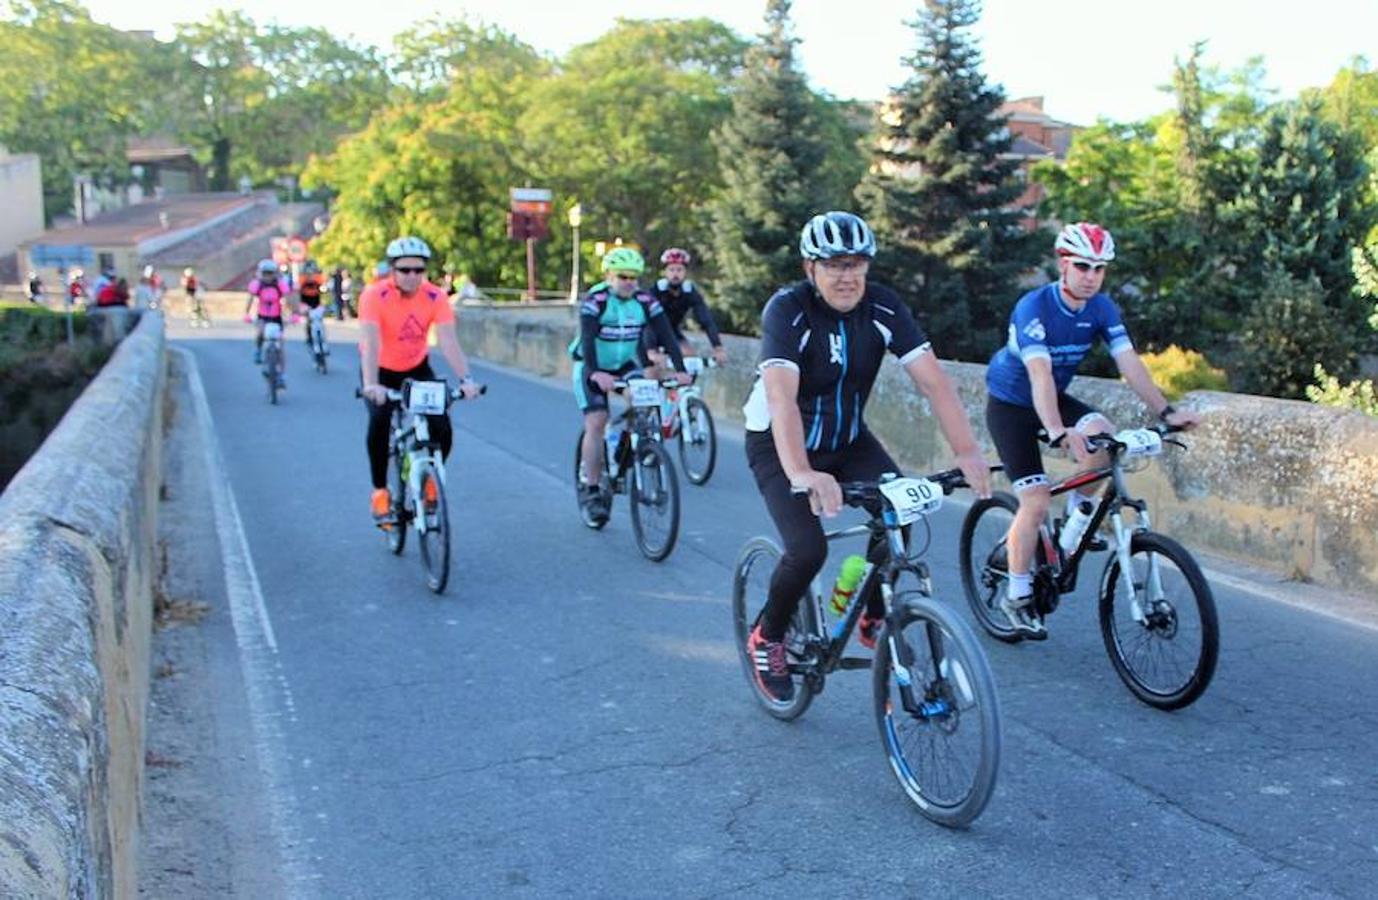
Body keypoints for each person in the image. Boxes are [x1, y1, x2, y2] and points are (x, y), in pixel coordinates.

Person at [741, 211, 992, 702]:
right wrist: (802, 472)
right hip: (779, 443)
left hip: (848, 439)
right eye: (833, 263)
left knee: (900, 515)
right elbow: (780, 399)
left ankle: (874, 612)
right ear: (810, 267)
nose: (847, 275)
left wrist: (968, 454)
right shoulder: (788, 310)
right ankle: (766, 636)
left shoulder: (882, 307)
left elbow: (934, 382)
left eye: (856, 263)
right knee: (808, 550)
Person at [985, 222, 1201, 639]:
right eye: (1082, 266)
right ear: (1062, 264)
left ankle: (1076, 523)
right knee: (1034, 501)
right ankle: (1015, 595)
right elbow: (1040, 373)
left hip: (1055, 398)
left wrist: (1166, 411)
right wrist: (1056, 430)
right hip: (1013, 405)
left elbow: (1129, 364)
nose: (1091, 277)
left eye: (1099, 269)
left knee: (1105, 438)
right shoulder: (1034, 306)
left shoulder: (1102, 308)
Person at [359, 236, 483, 525]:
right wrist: (371, 384)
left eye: (418, 270)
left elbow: (448, 342)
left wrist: (466, 379)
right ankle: (380, 492)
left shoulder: (435, 297)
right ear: (392, 270)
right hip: (381, 370)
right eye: (405, 270)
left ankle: (428, 480)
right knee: (378, 422)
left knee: (442, 425)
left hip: (416, 367)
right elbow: (370, 343)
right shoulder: (374, 296)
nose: (412, 276)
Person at [570, 246, 692, 521]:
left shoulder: (645, 301)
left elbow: (668, 336)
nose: (629, 282)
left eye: (634, 277)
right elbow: (587, 341)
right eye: (623, 276)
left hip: (625, 365)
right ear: (610, 276)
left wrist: (681, 370)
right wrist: (595, 374)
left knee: (644, 403)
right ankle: (591, 487)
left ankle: (633, 448)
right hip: (590, 366)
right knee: (596, 421)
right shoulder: (596, 301)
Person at [643, 247, 728, 370]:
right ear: (665, 272)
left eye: (679, 270)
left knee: (690, 357)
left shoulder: (690, 292)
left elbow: (706, 320)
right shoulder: (655, 290)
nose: (675, 274)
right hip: (651, 332)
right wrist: (651, 349)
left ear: (685, 272)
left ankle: (682, 387)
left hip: (672, 332)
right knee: (654, 364)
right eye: (671, 270)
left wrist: (718, 348)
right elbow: (646, 321)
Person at [244, 259, 292, 386]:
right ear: (261, 273)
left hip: (277, 317)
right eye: (265, 273)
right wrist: (247, 314)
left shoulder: (280, 284)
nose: (268, 276)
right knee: (260, 332)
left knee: (280, 346)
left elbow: (287, 300)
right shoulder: (257, 285)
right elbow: (250, 299)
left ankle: (282, 374)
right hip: (263, 316)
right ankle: (258, 350)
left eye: (270, 273)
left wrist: (293, 314)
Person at [296, 259, 326, 345]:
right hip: (305, 301)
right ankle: (309, 335)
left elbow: (323, 286)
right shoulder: (302, 278)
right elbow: (298, 287)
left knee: (319, 318)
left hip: (316, 300)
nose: (310, 273)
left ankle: (321, 335)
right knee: (309, 319)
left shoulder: (318, 277)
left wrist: (323, 288)